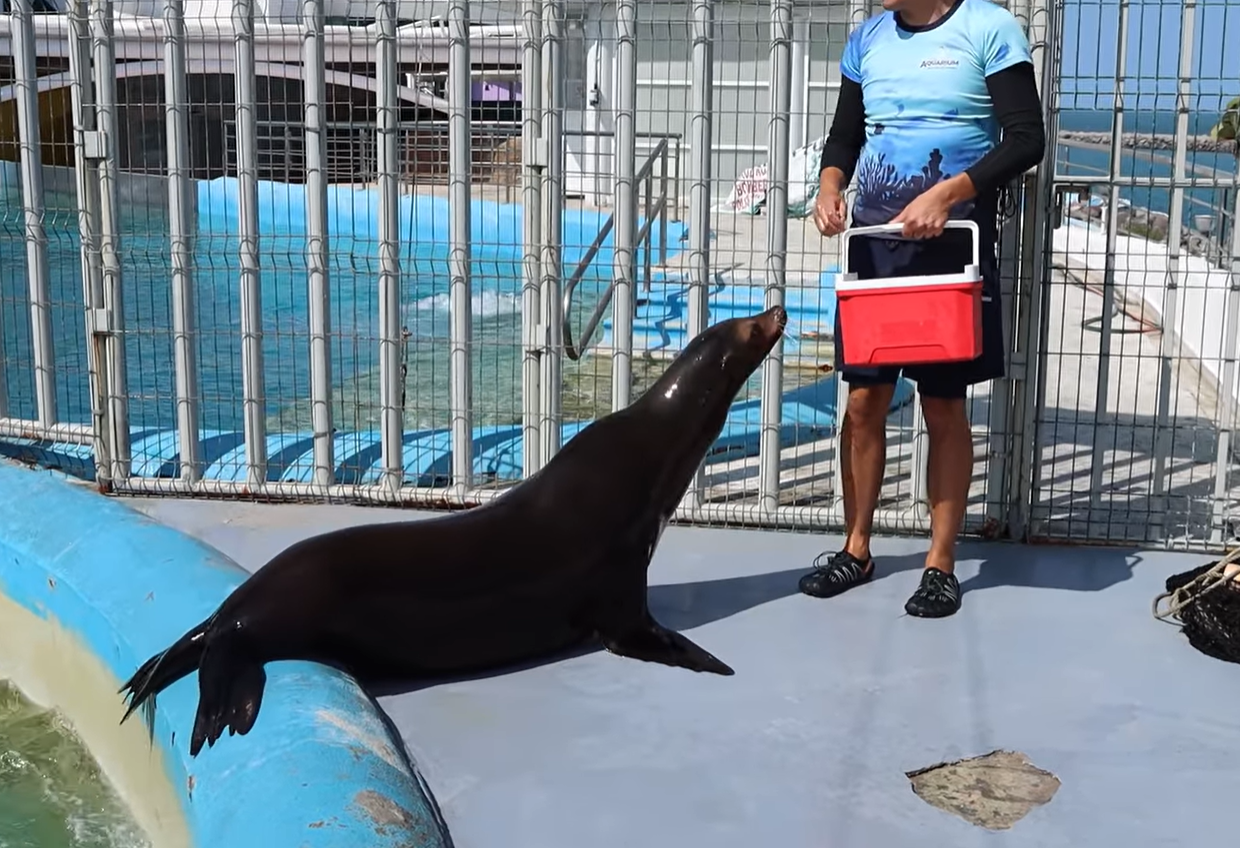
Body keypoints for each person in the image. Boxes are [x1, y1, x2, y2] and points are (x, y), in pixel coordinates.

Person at [797, 0, 1046, 617]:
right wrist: (830, 189)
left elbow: (1025, 139)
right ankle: (856, 549)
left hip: (953, 250)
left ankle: (940, 563)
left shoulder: (989, 28)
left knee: (943, 404)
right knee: (862, 402)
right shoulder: (868, 39)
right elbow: (845, 135)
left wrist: (950, 193)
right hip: (875, 250)